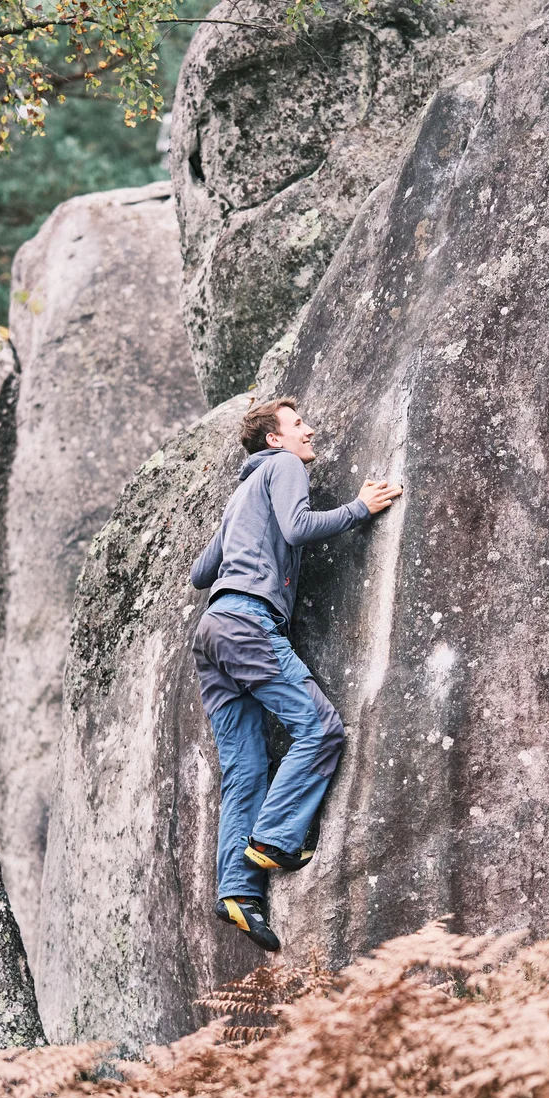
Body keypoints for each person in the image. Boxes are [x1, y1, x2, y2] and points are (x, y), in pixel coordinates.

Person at [189, 395, 402, 952]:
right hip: (249, 624)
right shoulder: (282, 468)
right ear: (273, 441)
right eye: (298, 424)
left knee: (245, 769)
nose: (310, 429)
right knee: (320, 727)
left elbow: (199, 572)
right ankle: (275, 840)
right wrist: (359, 508)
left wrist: (244, 543)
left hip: (213, 631)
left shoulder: (241, 494)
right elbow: (298, 526)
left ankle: (238, 892)